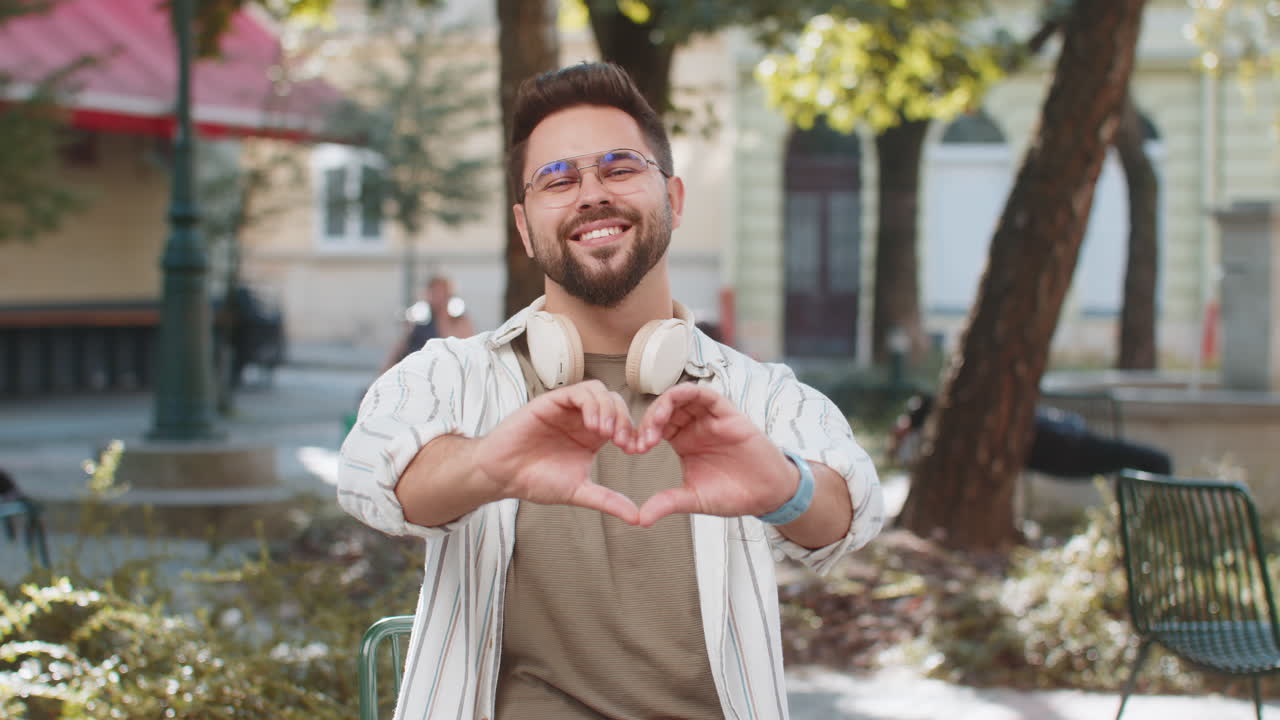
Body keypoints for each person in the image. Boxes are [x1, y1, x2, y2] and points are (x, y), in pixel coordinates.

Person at [338, 62, 884, 720]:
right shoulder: (453, 376)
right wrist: (487, 464)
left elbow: (851, 508)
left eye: (620, 167)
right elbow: (370, 473)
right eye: (557, 178)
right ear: (522, 225)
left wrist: (781, 484)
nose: (590, 193)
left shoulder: (755, 394)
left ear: (674, 199)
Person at [890, 393, 1173, 477]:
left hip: (1064, 442)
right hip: (1063, 447)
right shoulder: (955, 430)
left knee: (1150, 460)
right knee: (1153, 460)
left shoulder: (961, 416)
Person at [380, 274, 476, 373]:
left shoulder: (459, 320)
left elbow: (457, 350)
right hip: (412, 371)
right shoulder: (420, 320)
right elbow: (400, 348)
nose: (438, 297)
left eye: (442, 293)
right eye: (434, 292)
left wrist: (443, 315)